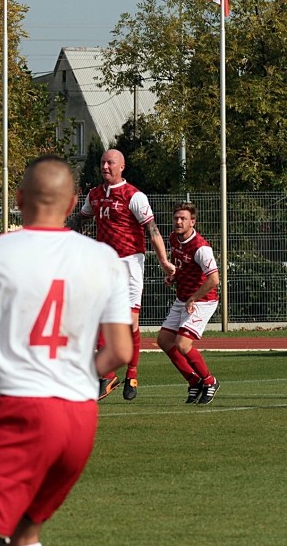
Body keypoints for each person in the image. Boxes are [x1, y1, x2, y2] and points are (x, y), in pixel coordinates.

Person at [0, 155, 133, 546]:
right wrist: (75, 374)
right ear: (73, 202)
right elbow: (120, 351)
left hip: (22, 410)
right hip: (80, 419)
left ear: (19, 197)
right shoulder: (103, 259)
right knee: (25, 533)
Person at [68, 148, 175, 401]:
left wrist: (164, 261)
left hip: (129, 263)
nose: (105, 167)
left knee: (129, 324)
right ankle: (108, 376)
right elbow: (80, 221)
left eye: (110, 163)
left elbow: (153, 230)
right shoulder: (94, 195)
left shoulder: (134, 196)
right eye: (103, 163)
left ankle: (132, 373)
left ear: (122, 167)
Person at [157, 202, 221, 405]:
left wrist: (193, 298)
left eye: (183, 218)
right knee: (164, 341)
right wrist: (173, 277)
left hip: (203, 300)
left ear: (192, 222)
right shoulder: (174, 238)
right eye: (176, 217)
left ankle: (210, 382)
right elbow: (182, 267)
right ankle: (194, 381)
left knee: (183, 344)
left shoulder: (201, 248)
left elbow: (214, 279)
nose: (178, 221)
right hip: (183, 299)